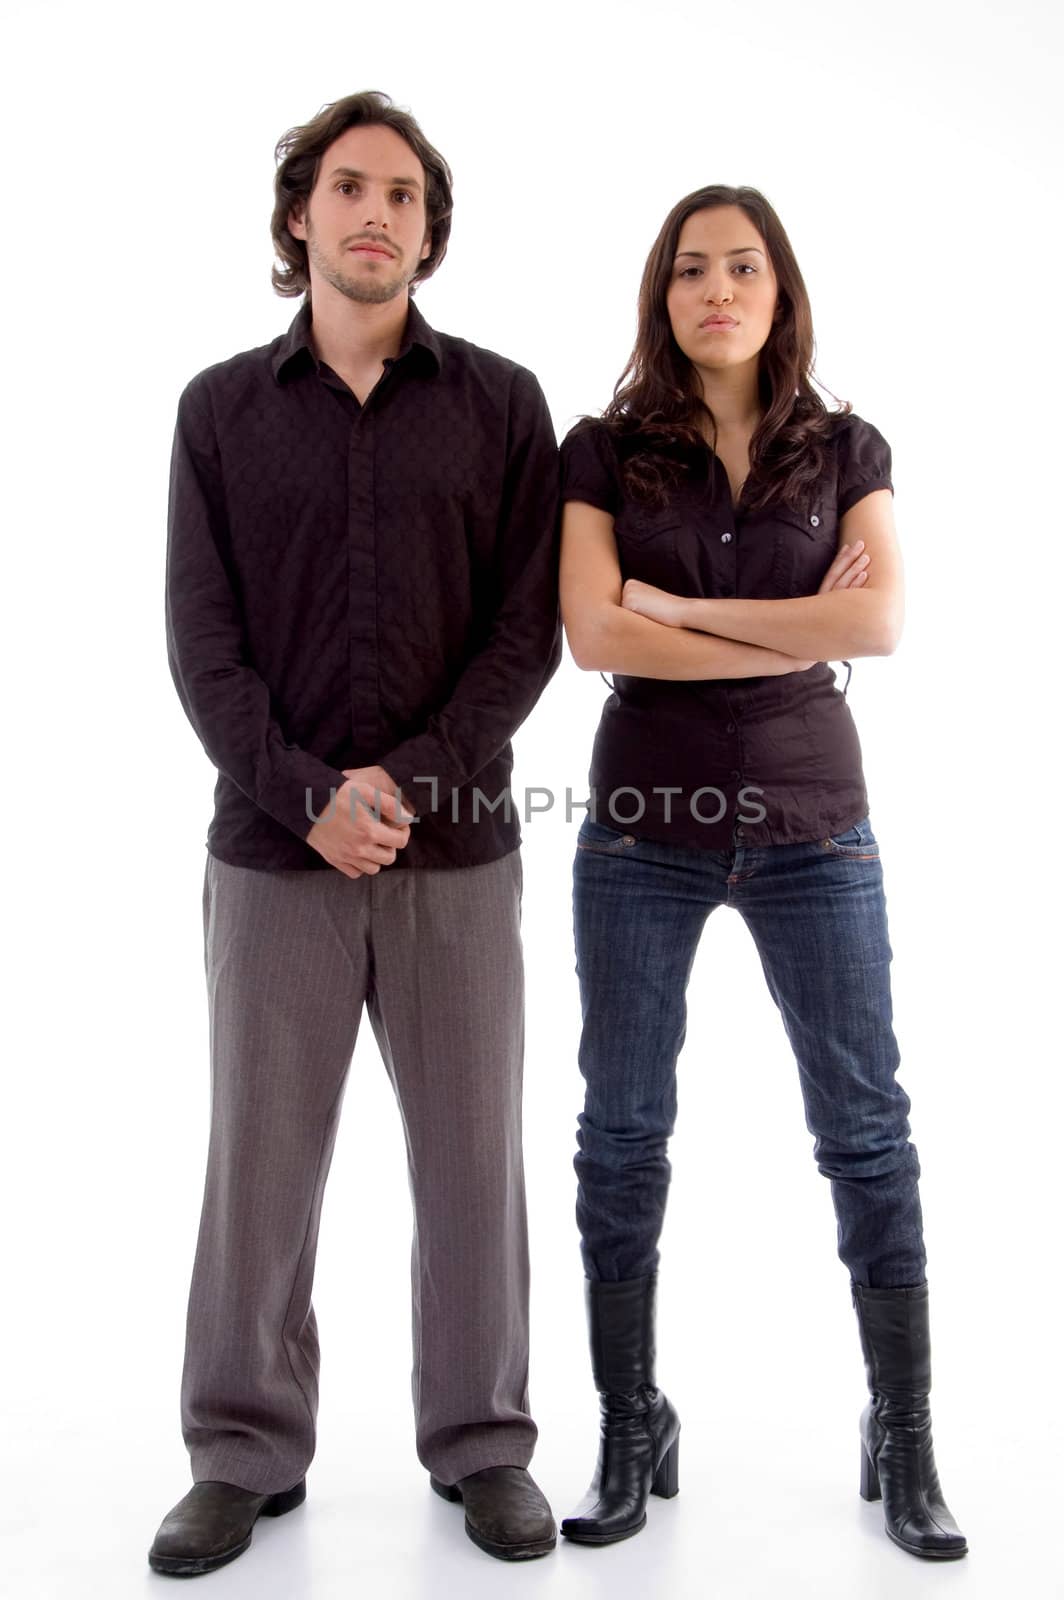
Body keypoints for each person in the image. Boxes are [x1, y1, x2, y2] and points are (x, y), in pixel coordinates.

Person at [149, 90, 561, 1575]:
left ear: (430, 230)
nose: (375, 210)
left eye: (402, 192)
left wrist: (414, 787)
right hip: (273, 860)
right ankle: (243, 1452)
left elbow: (527, 633)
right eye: (347, 186)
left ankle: (484, 1444)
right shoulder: (217, 411)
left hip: (456, 858)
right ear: (300, 217)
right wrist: (309, 796)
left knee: (471, 1161)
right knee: (259, 1160)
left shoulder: (508, 407)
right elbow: (203, 651)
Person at [555, 185, 967, 1560]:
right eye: (689, 270)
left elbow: (884, 620)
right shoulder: (603, 450)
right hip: (641, 832)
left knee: (864, 1127)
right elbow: (595, 641)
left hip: (813, 825)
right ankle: (629, 1420)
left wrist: (680, 607)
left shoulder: (845, 445)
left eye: (742, 267)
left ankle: (902, 1431)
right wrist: (781, 629)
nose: (715, 289)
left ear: (781, 289)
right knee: (621, 1129)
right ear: (661, 297)